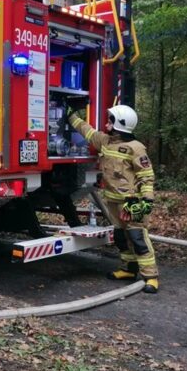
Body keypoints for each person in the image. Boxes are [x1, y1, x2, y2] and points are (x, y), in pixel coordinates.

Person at [68, 103, 159, 294]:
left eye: (110, 120)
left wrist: (147, 200)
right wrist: (70, 115)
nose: (107, 123)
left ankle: (150, 276)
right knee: (120, 237)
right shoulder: (105, 141)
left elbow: (146, 175)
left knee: (137, 238)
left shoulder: (136, 148)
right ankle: (129, 269)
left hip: (131, 203)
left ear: (118, 123)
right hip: (113, 202)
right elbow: (87, 131)